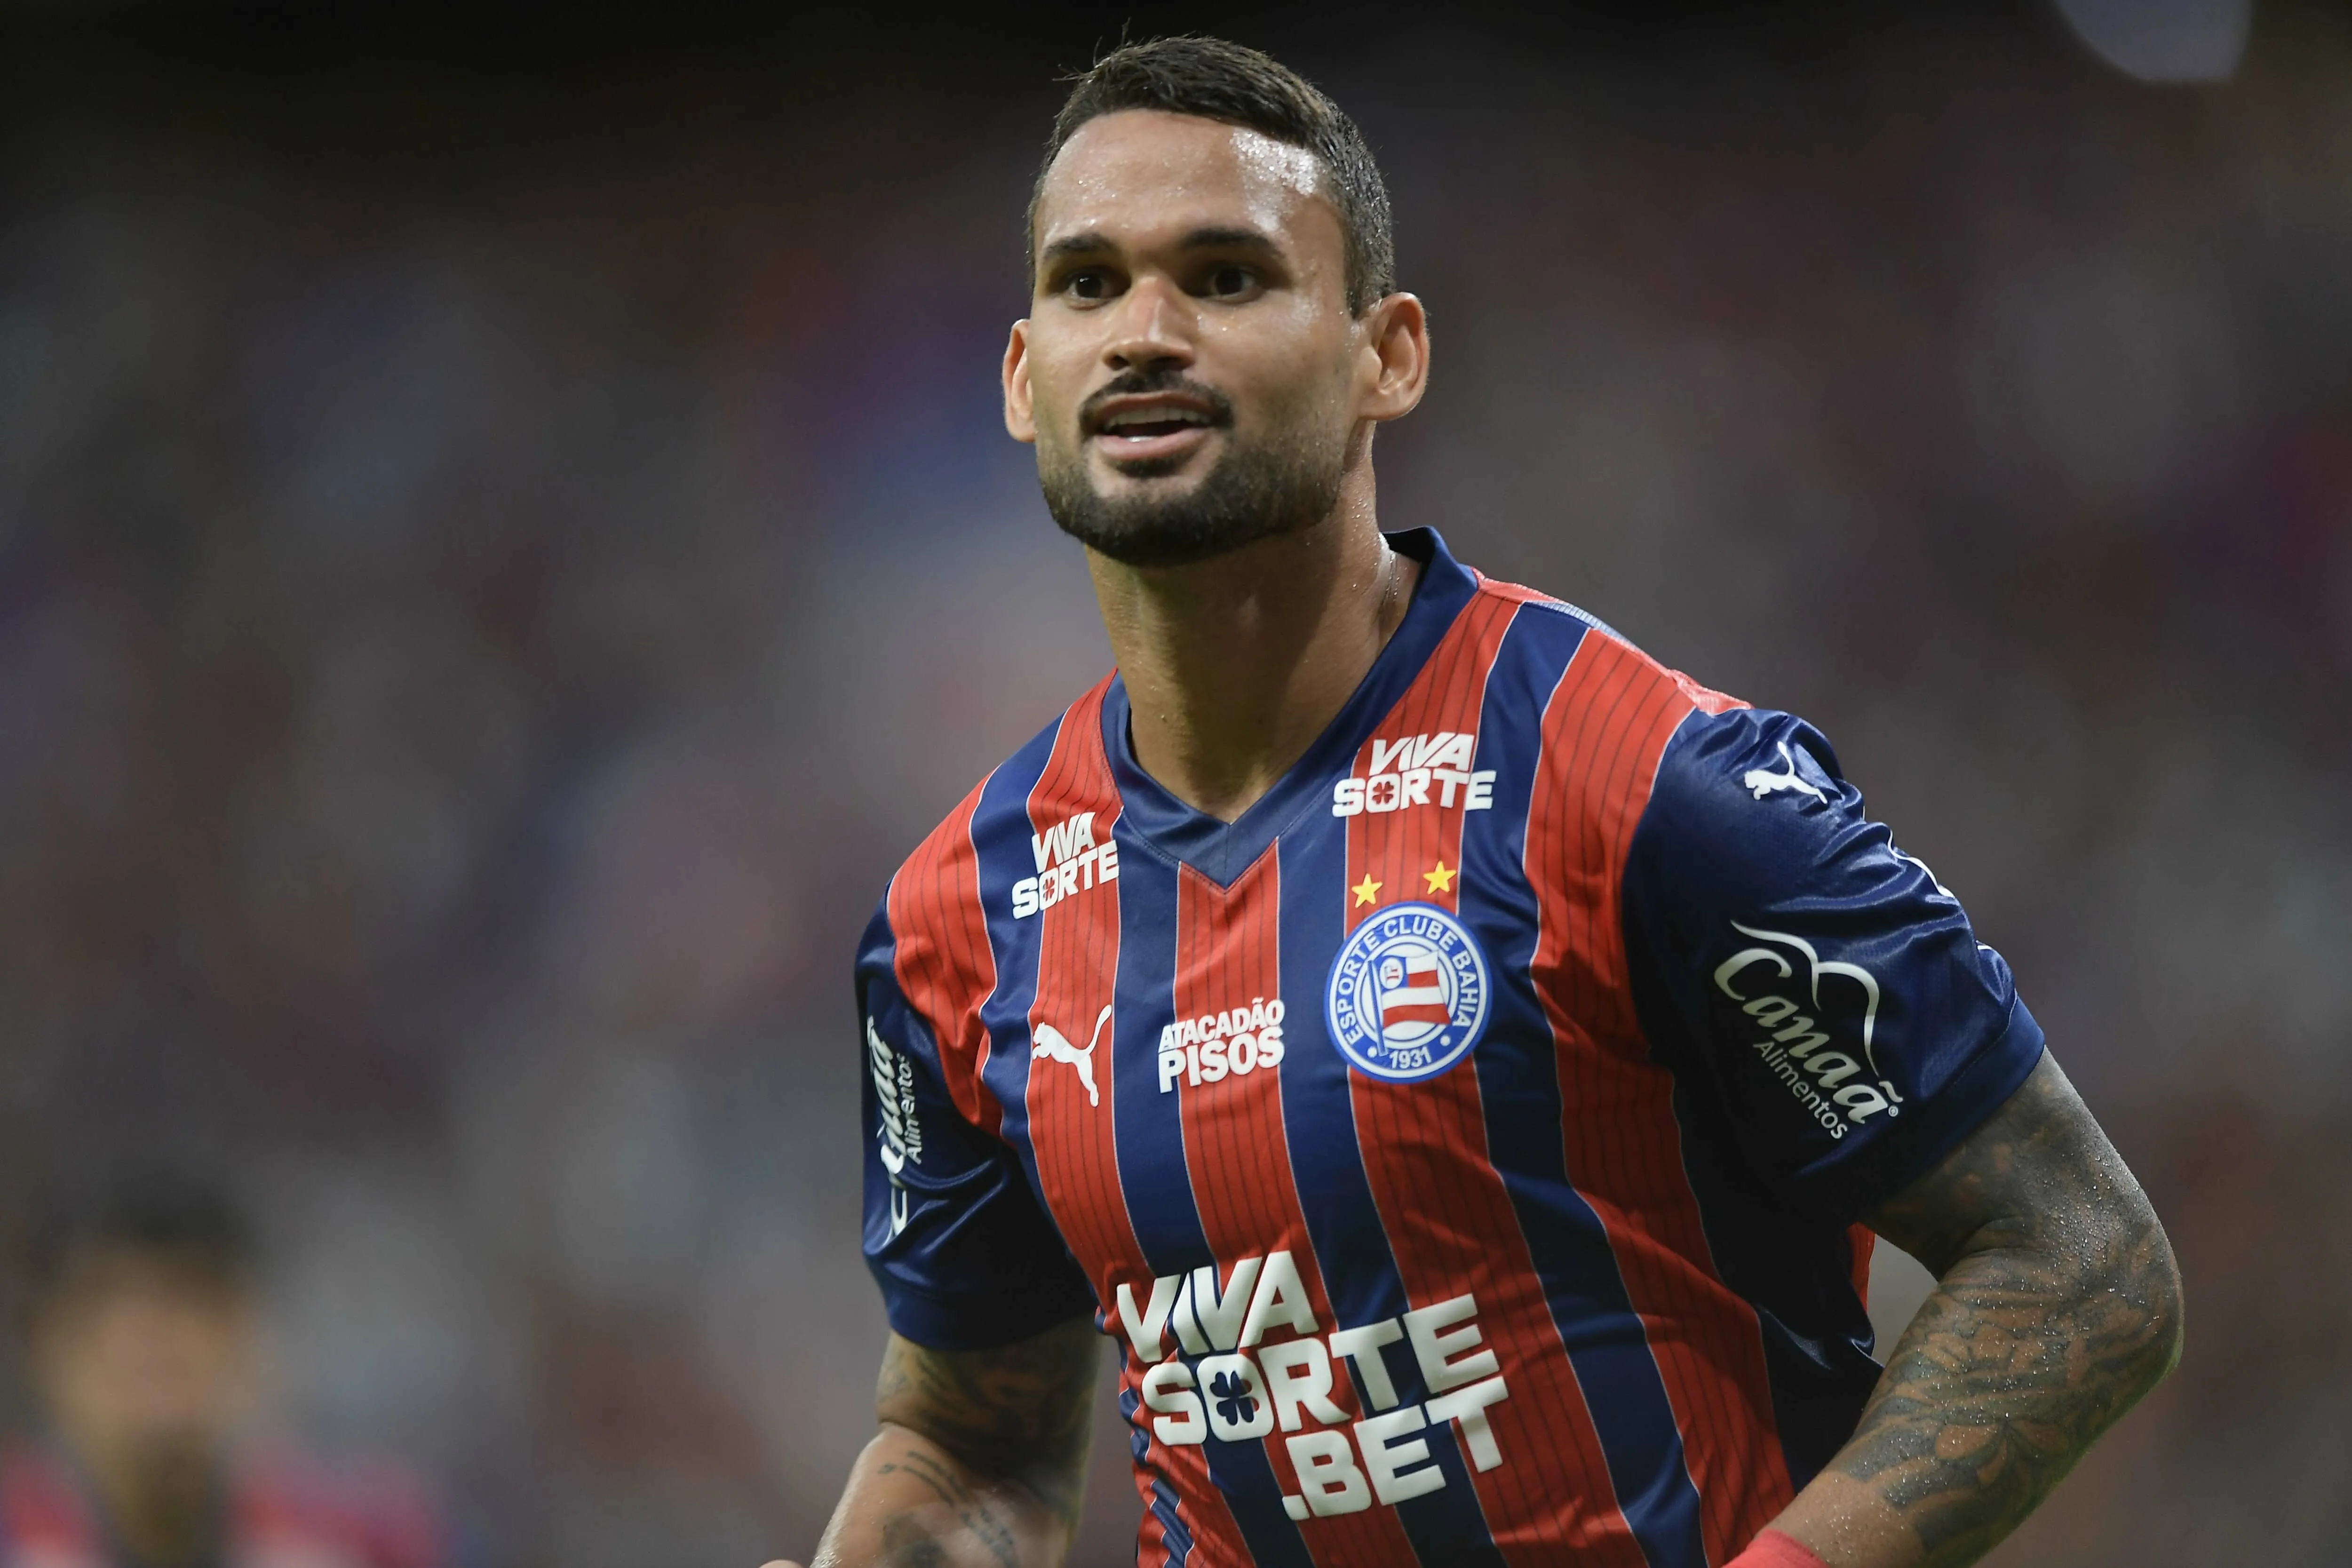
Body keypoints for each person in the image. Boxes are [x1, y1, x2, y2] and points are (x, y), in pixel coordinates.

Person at [777, 36, 2183, 1568]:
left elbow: (2081, 1263)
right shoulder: (956, 925)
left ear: (1388, 351)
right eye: (1089, 284)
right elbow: (972, 1441)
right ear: (1018, 377)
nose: (1146, 333)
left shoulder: (1639, 780)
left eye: (1229, 277)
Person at [2, 1173, 449, 1568]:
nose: (152, 1344)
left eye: (191, 1300)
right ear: (43, 1346)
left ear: (251, 1333)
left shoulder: (371, 1538)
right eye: (105, 1303)